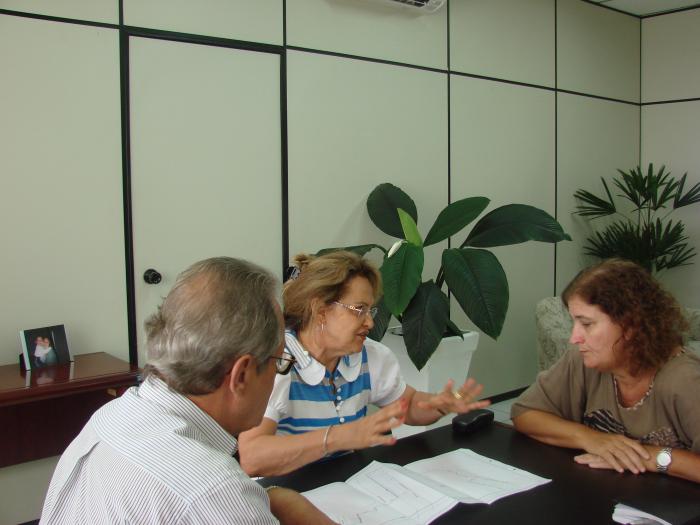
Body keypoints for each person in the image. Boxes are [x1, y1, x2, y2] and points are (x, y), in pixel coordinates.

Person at [40, 257, 334, 524]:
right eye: (277, 361)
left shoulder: (111, 415)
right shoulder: (216, 493)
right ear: (241, 375)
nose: (277, 375)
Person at [238, 251, 490, 477]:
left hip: (350, 481)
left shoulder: (370, 356)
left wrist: (438, 405)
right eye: (359, 309)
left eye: (371, 311)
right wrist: (335, 438)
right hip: (290, 489)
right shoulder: (279, 362)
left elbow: (408, 407)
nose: (369, 322)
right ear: (320, 310)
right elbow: (253, 457)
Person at [511, 259, 700, 484]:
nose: (574, 337)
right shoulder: (582, 360)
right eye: (574, 323)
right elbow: (524, 414)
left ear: (630, 325)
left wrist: (648, 456)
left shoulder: (685, 379)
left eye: (587, 324)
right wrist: (591, 438)